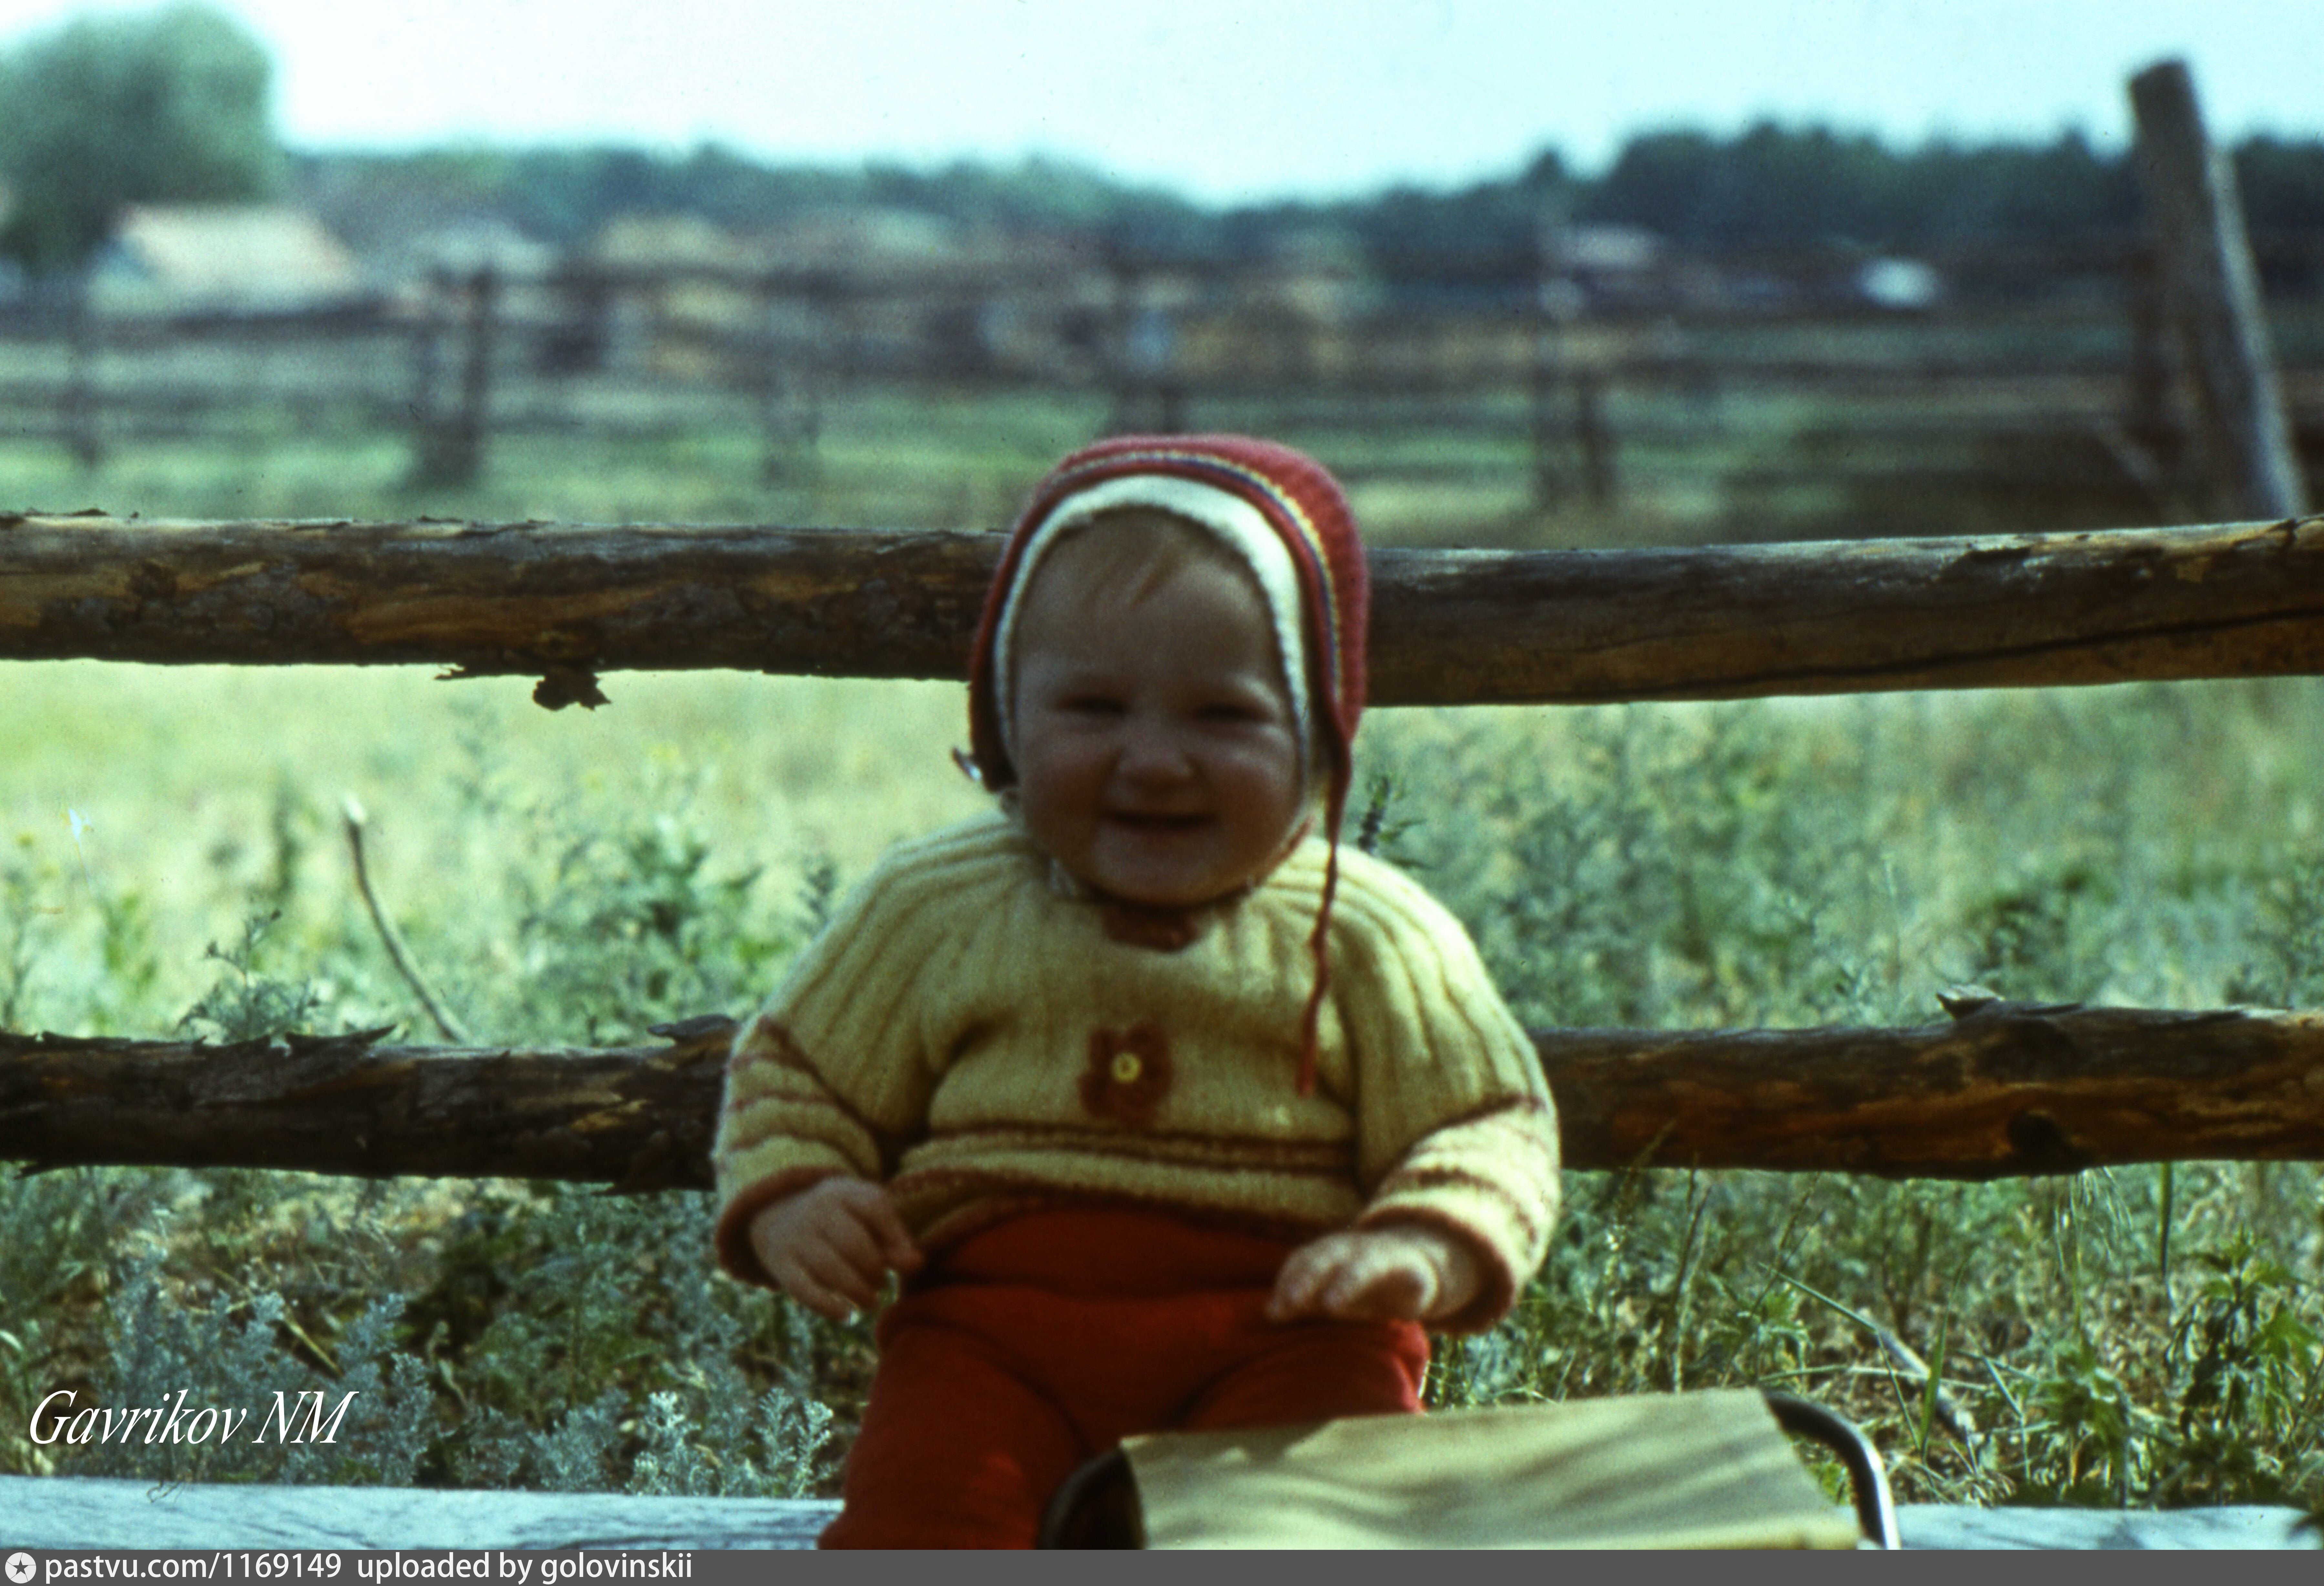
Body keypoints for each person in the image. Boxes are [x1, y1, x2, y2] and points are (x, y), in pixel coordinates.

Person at [711, 434, 1559, 1548]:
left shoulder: (1367, 932)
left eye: (1224, 717)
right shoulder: (935, 907)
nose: (1154, 759)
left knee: (1304, 1531)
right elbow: (797, 1073)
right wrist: (798, 1194)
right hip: (992, 1351)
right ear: (1006, 720)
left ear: (1316, 737)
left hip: (1292, 1341)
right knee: (926, 1518)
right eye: (1093, 708)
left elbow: (1489, 1120)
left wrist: (1429, 1243)